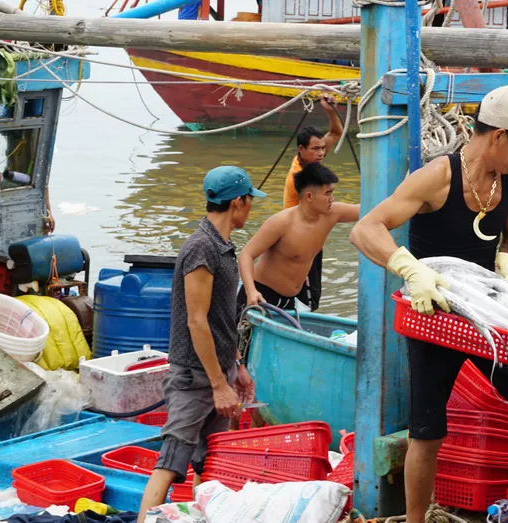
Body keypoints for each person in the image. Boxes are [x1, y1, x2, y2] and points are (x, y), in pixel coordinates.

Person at [350, 85, 508, 523]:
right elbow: (366, 229)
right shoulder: (438, 176)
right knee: (427, 433)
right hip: (435, 315)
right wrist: (410, 270)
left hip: (487, 312)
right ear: (499, 136)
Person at [137, 166, 264, 521]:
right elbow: (197, 320)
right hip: (194, 377)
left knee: (209, 466)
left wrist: (236, 365)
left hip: (217, 371)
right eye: (250, 200)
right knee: (171, 462)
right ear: (237, 202)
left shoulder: (223, 247)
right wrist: (219, 385)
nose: (251, 207)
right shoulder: (201, 248)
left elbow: (220, 318)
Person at [237, 163, 359, 315]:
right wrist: (251, 291)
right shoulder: (282, 222)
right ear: (309, 196)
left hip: (292, 300)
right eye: (327, 194)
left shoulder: (333, 213)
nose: (331, 199)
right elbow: (246, 255)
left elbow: (367, 210)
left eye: (332, 193)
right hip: (261, 296)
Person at [281, 94, 345, 310]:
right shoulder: (298, 178)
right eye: (315, 149)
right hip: (298, 239)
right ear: (301, 149)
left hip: (311, 234)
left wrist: (330, 110)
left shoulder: (310, 160)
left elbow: (335, 133)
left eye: (322, 148)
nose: (321, 153)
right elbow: (323, 210)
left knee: (311, 295)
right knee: (307, 298)